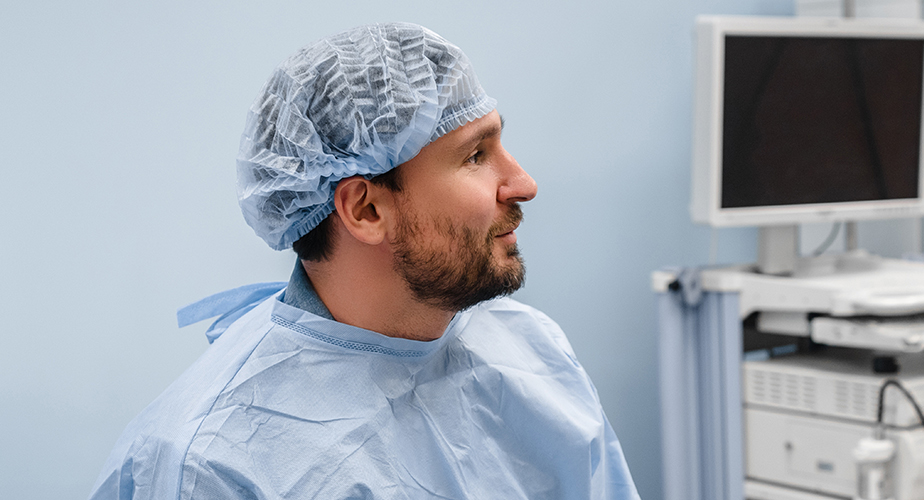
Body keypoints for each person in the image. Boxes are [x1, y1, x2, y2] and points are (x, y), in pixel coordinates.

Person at [90, 23, 639, 499]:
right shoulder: (212, 468)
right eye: (476, 155)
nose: (524, 183)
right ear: (367, 208)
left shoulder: (534, 351)